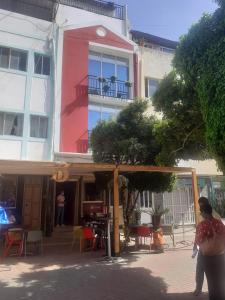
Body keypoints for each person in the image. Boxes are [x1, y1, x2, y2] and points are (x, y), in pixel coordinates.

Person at [195, 203, 225, 300]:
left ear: (204, 212)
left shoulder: (202, 225)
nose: (201, 214)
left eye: (201, 212)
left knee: (211, 283)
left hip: (208, 258)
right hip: (220, 256)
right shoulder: (219, 223)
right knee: (220, 281)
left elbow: (198, 241)